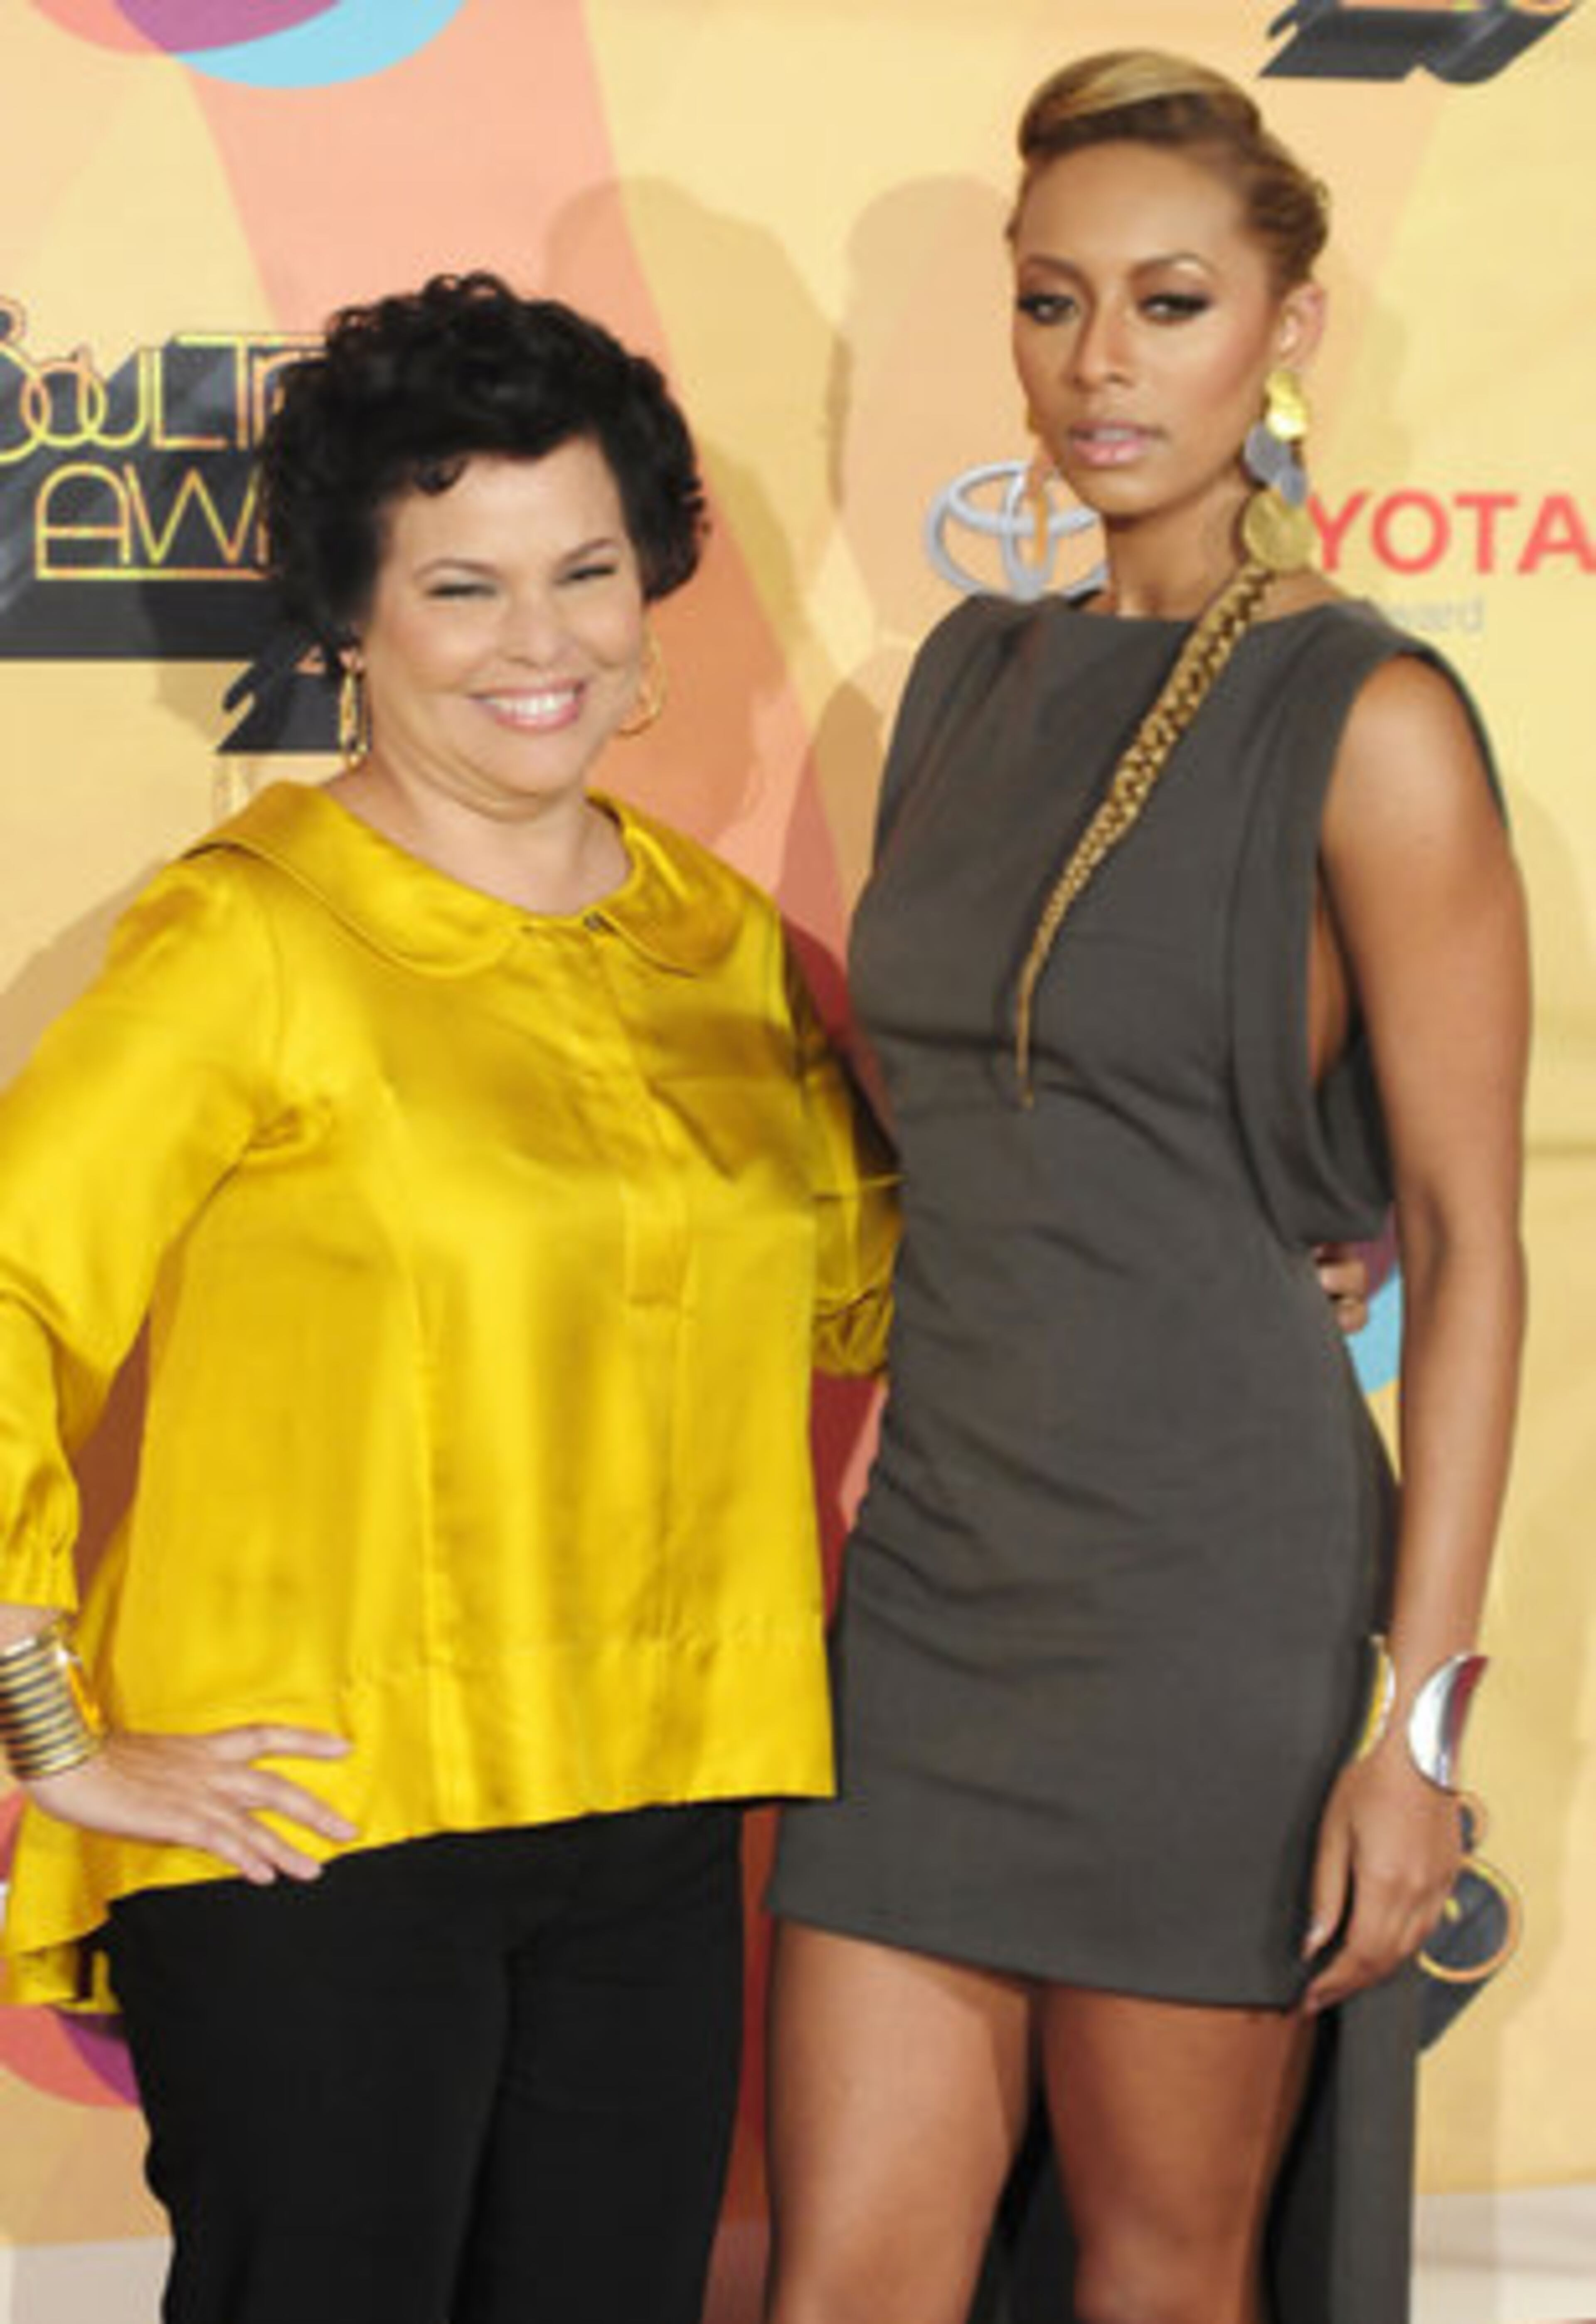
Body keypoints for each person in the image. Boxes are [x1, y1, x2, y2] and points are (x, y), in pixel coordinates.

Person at [0, 273, 899, 2324]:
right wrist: (53, 1734)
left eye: (586, 570)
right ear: (351, 618)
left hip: (659, 1811)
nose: (544, 643)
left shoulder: (718, 947)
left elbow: (872, 1288)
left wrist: (1228, 1223)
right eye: (462, 588)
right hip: (318, 1835)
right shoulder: (253, 941)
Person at [765, 50, 1528, 2324]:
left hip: (1217, 1613)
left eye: (1173, 302)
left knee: (1164, 2275)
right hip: (930, 1595)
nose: (1102, 367)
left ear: (1289, 325)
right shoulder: (968, 684)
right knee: (849, 2281)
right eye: (1051, 301)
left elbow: (1477, 1238)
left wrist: (1419, 1727)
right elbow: (978, 1120)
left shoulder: (1371, 718)